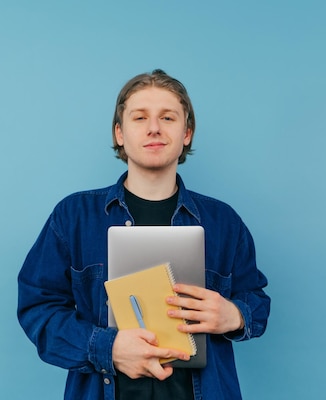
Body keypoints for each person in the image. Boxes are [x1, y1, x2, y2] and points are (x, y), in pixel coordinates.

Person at [18, 69, 270, 400]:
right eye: (140, 118)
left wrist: (234, 315)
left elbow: (257, 301)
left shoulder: (224, 222)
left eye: (168, 117)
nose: (154, 128)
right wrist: (108, 348)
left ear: (187, 134)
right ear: (120, 133)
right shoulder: (73, 216)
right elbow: (38, 310)